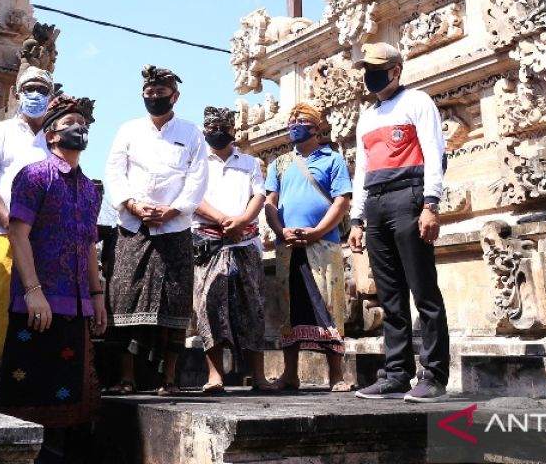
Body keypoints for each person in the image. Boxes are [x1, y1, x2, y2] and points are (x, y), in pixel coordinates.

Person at [0, 95, 105, 458]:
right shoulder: (34, 175)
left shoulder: (91, 189)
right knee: (30, 396)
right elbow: (18, 233)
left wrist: (97, 295)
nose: (80, 129)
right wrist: (32, 291)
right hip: (39, 303)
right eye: (71, 123)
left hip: (78, 305)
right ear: (51, 135)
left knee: (73, 402)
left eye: (84, 124)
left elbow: (90, 245)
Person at [348, 42, 450, 402]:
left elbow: (435, 154)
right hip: (374, 202)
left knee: (424, 292)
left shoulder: (418, 102)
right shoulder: (367, 116)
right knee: (389, 296)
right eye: (365, 69)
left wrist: (431, 204)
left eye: (376, 68)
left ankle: (434, 375)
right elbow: (361, 171)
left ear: (396, 69)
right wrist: (356, 218)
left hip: (409, 196)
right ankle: (396, 373)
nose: (369, 76)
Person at [103, 65, 208, 395]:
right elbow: (114, 174)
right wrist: (132, 205)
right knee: (125, 300)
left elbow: (197, 178)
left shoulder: (191, 133)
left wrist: (173, 209)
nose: (154, 99)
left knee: (173, 304)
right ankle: (127, 378)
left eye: (161, 94)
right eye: (149, 94)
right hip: (133, 227)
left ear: (174, 97)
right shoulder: (128, 131)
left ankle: (170, 379)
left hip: (174, 228)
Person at [0, 66, 55, 407]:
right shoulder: (0, 131)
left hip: (45, 242)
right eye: (29, 88)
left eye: (41, 88)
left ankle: (32, 387)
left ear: (51, 97)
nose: (34, 94)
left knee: (41, 311)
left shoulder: (56, 138)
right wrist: (13, 223)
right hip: (4, 235)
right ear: (17, 94)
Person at [264, 102, 354, 392]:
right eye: (291, 121)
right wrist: (281, 230)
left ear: (316, 127)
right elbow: (269, 203)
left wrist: (317, 231)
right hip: (288, 245)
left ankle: (337, 375)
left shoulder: (332, 159)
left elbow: (342, 201)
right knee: (289, 308)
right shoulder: (279, 163)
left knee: (329, 305)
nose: (294, 125)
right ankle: (290, 374)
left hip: (323, 244)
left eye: (301, 121)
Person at [191, 107, 274, 393]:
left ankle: (259, 376)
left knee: (253, 308)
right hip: (208, 241)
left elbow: (259, 195)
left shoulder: (250, 162)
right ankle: (215, 375)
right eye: (213, 126)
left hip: (246, 241)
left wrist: (241, 221)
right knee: (208, 307)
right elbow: (192, 197)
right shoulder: (196, 160)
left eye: (224, 126)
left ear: (233, 130)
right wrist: (223, 220)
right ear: (204, 131)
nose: (219, 131)